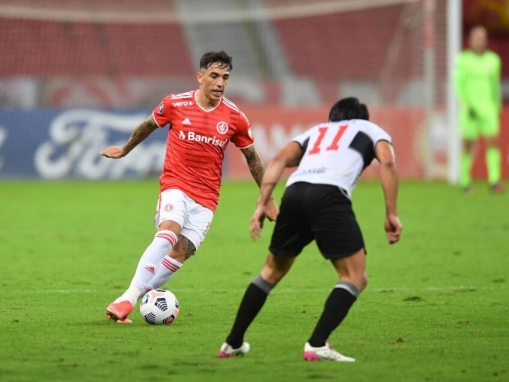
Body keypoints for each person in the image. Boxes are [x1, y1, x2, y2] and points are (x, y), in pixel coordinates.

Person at [100, 50, 279, 323]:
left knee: (183, 250)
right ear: (200, 76)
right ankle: (127, 298)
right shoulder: (175, 103)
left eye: (226, 78)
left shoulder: (235, 117)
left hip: (207, 197)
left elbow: (253, 158)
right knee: (169, 230)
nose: (220, 83)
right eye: (214, 76)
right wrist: (125, 149)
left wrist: (267, 198)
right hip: (175, 183)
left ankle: (133, 298)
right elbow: (148, 126)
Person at [218, 97, 402, 362]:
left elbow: (279, 159)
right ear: (363, 117)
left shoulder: (317, 131)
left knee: (271, 271)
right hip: (329, 195)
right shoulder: (370, 130)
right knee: (355, 276)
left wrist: (261, 204)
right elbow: (387, 163)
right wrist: (391, 213)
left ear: (332, 117)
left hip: (294, 193)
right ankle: (317, 343)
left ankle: (233, 342)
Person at [455, 25, 504, 193]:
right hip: (469, 109)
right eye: (475, 38)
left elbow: (495, 86)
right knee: (468, 144)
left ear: (485, 41)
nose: (478, 42)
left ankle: (494, 180)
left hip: (488, 108)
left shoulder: (494, 60)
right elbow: (458, 85)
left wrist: (497, 105)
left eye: (481, 39)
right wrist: (466, 104)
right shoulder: (462, 60)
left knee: (493, 142)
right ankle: (465, 181)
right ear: (470, 40)